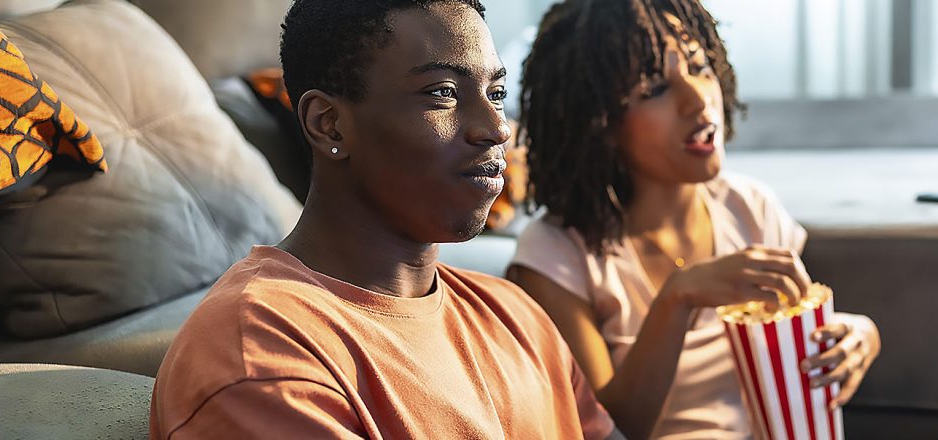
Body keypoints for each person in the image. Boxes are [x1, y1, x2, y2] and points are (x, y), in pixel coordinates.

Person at [150, 1, 618, 438]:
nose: (497, 128)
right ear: (328, 123)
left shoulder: (515, 315)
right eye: (443, 92)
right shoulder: (260, 354)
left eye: (495, 93)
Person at [508, 1, 881, 438]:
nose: (698, 99)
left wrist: (861, 334)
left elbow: (793, 346)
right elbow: (604, 431)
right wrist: (678, 299)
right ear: (599, 122)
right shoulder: (555, 254)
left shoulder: (749, 208)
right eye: (654, 90)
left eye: (700, 67)